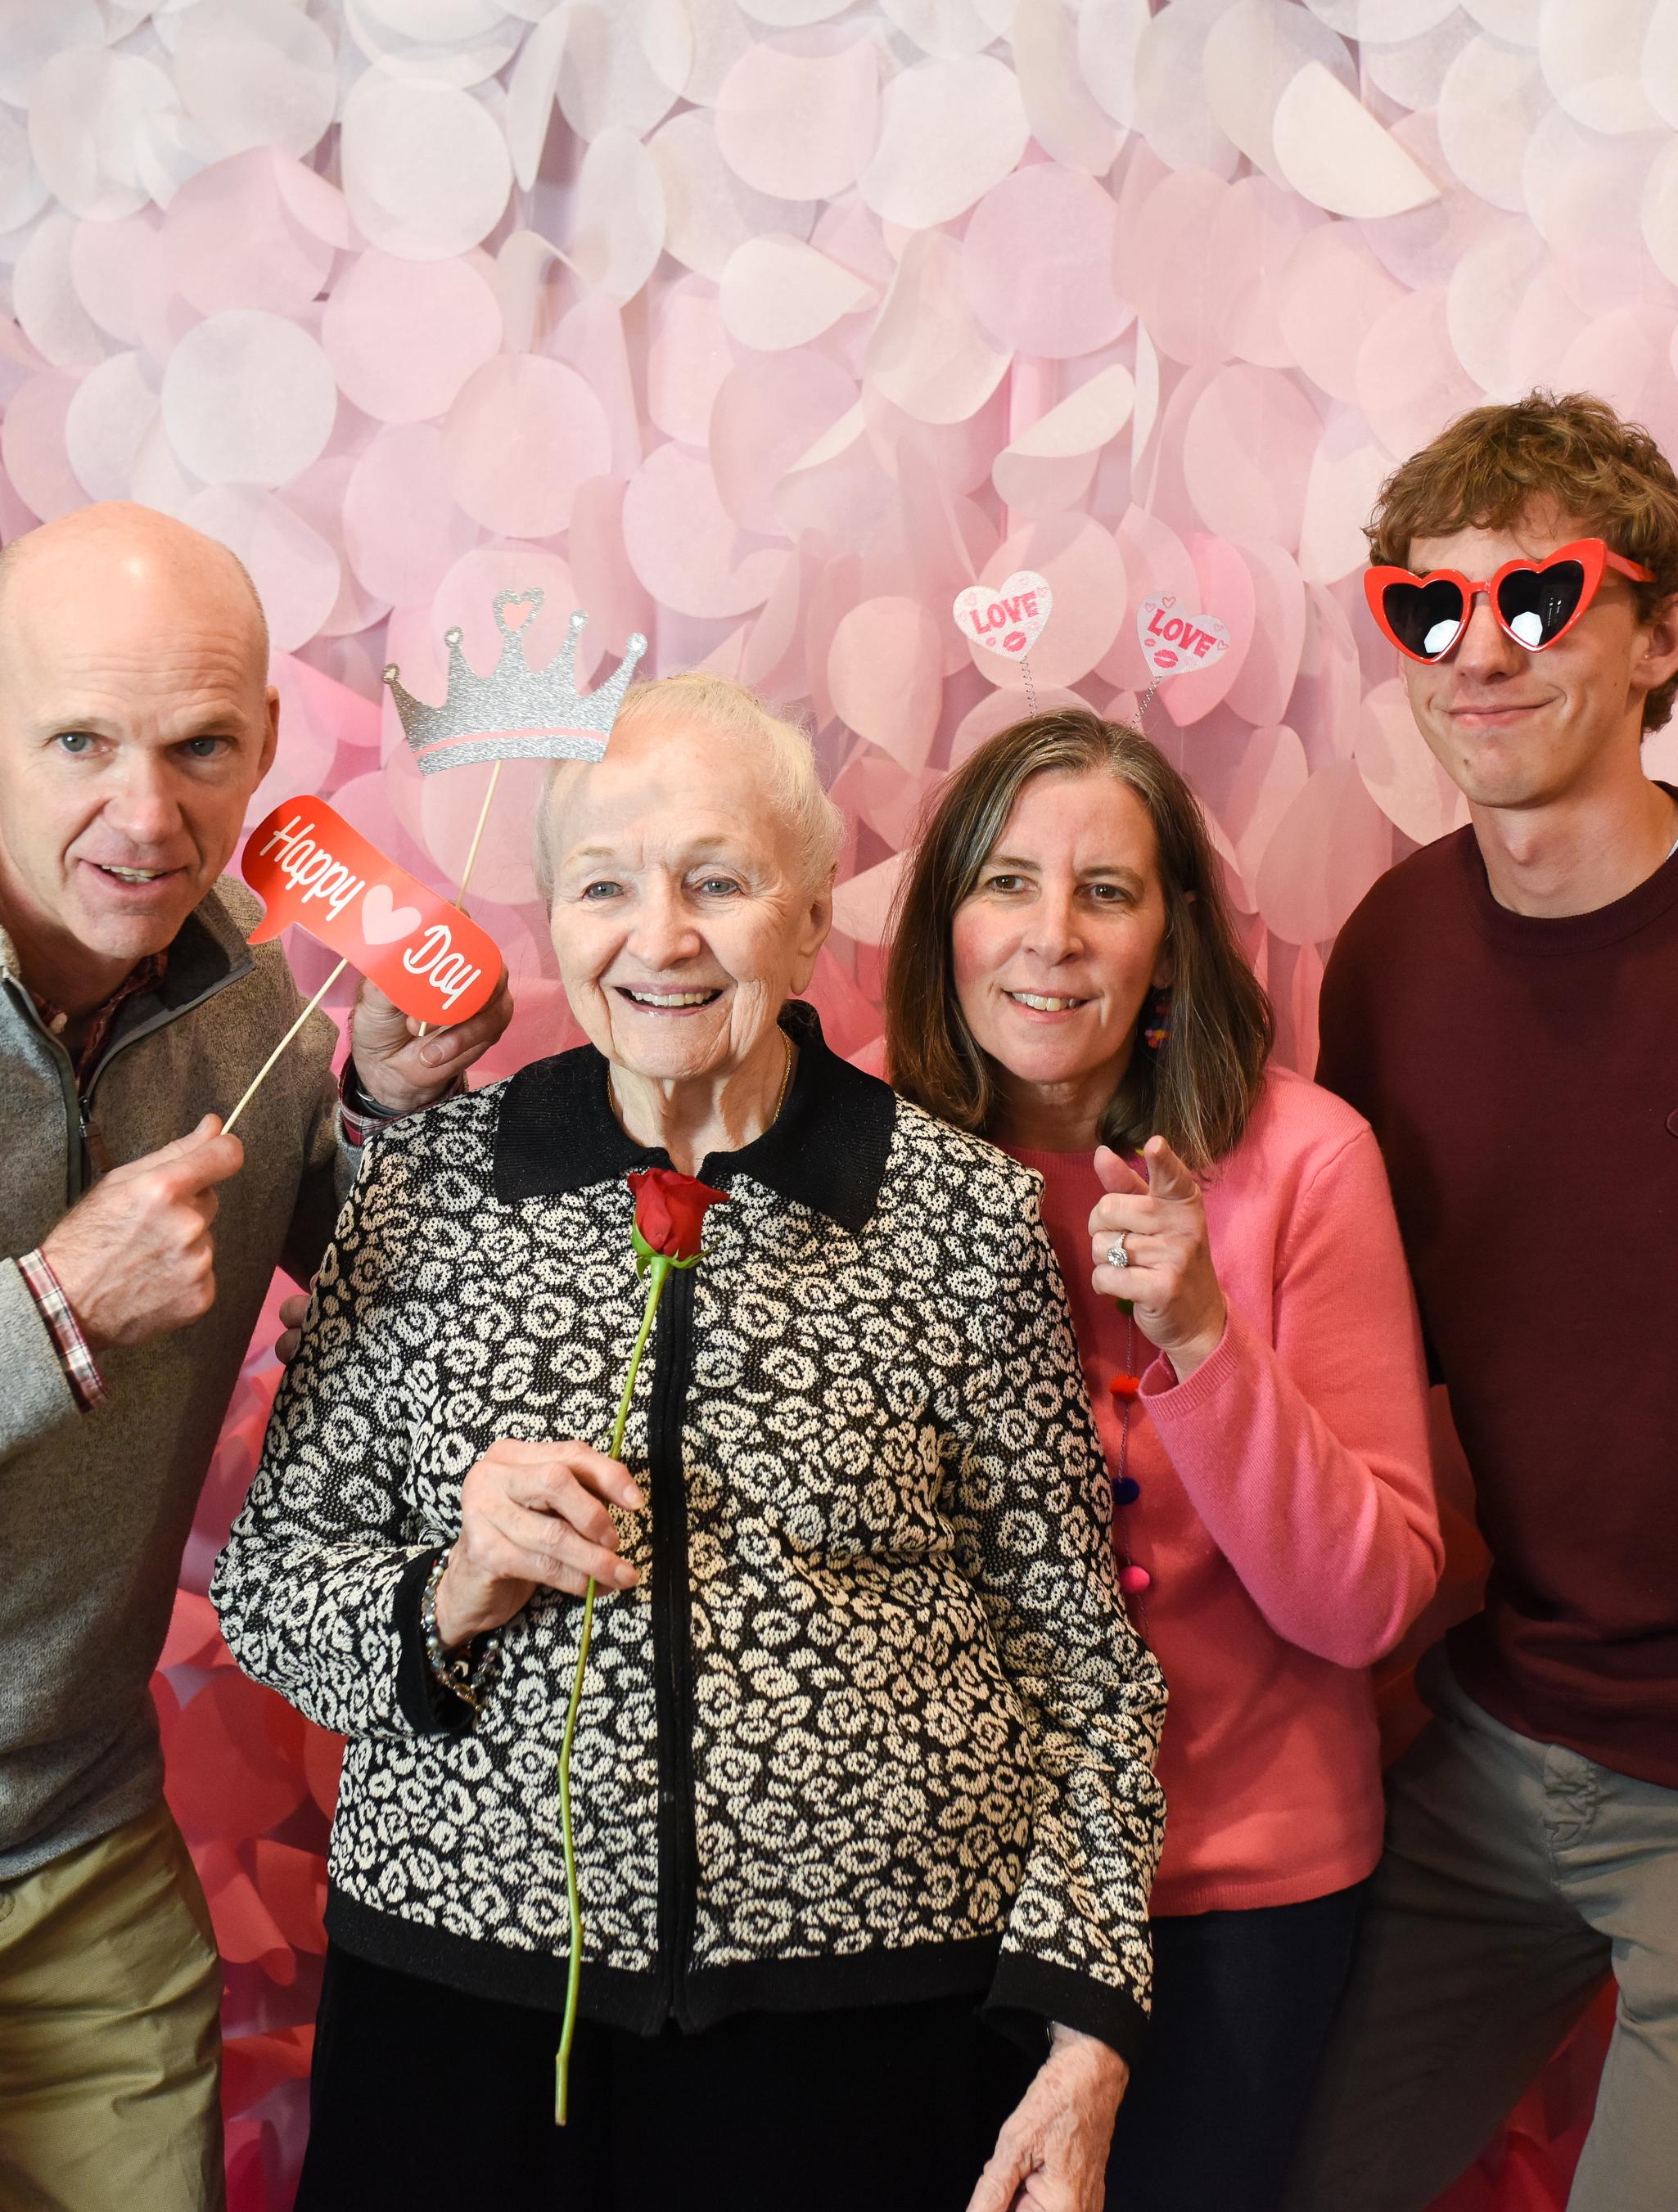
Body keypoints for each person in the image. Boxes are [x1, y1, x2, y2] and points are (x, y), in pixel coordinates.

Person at [210, 673, 1167, 2212]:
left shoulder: (962, 1216)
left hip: (869, 2038)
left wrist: (1088, 2026)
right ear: (552, 919)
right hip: (464, 2022)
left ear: (804, 926)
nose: (658, 937)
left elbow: (1081, 1661)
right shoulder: (427, 1184)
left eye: (716, 883)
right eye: (603, 885)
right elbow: (270, 1589)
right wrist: (453, 1583)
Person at [0, 502, 510, 2212]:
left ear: (268, 745)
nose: (148, 815)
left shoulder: (250, 1002)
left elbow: (348, 1279)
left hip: (80, 1835)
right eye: (79, 739)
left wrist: (374, 1109)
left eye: (200, 745)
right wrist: (54, 1309)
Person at [885, 710, 1442, 2212]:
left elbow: (1365, 1604)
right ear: (942, 918)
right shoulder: (859, 1151)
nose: (1049, 938)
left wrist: (1201, 1335)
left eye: (1106, 892)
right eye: (1004, 882)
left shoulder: (1302, 1160)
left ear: (1173, 944)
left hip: (1235, 1894)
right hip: (943, 1886)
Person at [1285, 394, 1678, 2212]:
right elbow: (1380, 1371)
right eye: (1428, 609)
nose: (1481, 649)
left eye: (1536, 591)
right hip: (1509, 1737)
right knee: (1268, 2172)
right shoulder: (1393, 954)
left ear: (1654, 633)